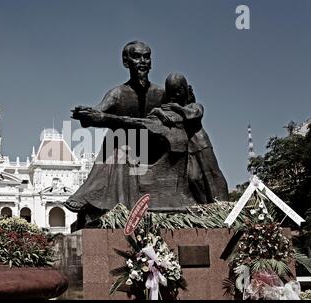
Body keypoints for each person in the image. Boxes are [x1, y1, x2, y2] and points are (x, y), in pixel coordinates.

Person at [65, 42, 196, 229]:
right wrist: (87, 115)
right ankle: (106, 201)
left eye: (146, 57)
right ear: (126, 62)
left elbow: (183, 114)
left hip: (158, 149)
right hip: (129, 150)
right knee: (119, 143)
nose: (142, 62)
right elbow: (96, 115)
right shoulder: (117, 94)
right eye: (137, 57)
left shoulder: (161, 93)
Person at [150, 73, 229, 203]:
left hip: (201, 145)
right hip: (189, 149)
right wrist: (158, 111)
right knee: (193, 178)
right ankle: (206, 206)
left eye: (177, 91)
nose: (174, 96)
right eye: (171, 92)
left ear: (184, 90)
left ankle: (222, 204)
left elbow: (192, 115)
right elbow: (163, 118)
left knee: (212, 174)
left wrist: (177, 107)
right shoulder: (175, 110)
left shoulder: (195, 106)